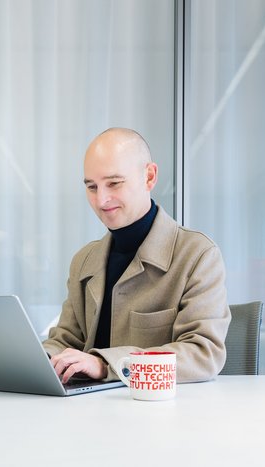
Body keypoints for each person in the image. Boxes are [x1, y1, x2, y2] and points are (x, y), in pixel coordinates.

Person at [42, 127, 231, 384]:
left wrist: (105, 364)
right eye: (92, 187)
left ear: (149, 177)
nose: (101, 200)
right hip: (87, 405)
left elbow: (202, 353)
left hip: (160, 407)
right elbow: (66, 341)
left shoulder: (197, 255)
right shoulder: (83, 261)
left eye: (114, 183)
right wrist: (37, 359)